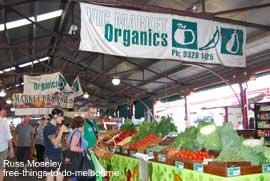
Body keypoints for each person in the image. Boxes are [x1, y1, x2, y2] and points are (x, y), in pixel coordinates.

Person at [44, 108, 66, 181]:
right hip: (50, 156)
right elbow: (55, 142)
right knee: (50, 178)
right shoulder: (48, 128)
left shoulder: (56, 127)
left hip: (58, 155)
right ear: (55, 116)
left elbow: (58, 142)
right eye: (61, 116)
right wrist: (61, 131)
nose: (62, 118)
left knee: (60, 177)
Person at [66, 117, 89, 181]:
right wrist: (84, 150)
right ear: (81, 125)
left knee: (74, 177)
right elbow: (72, 147)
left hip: (73, 158)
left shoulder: (74, 132)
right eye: (84, 125)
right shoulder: (77, 133)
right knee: (76, 177)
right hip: (77, 159)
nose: (84, 126)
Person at [0, 106, 14, 181]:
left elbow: (8, 136)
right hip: (3, 148)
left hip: (3, 148)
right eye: (4, 111)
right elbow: (8, 136)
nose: (5, 113)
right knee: (1, 168)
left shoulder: (4, 121)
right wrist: (11, 149)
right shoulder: (4, 121)